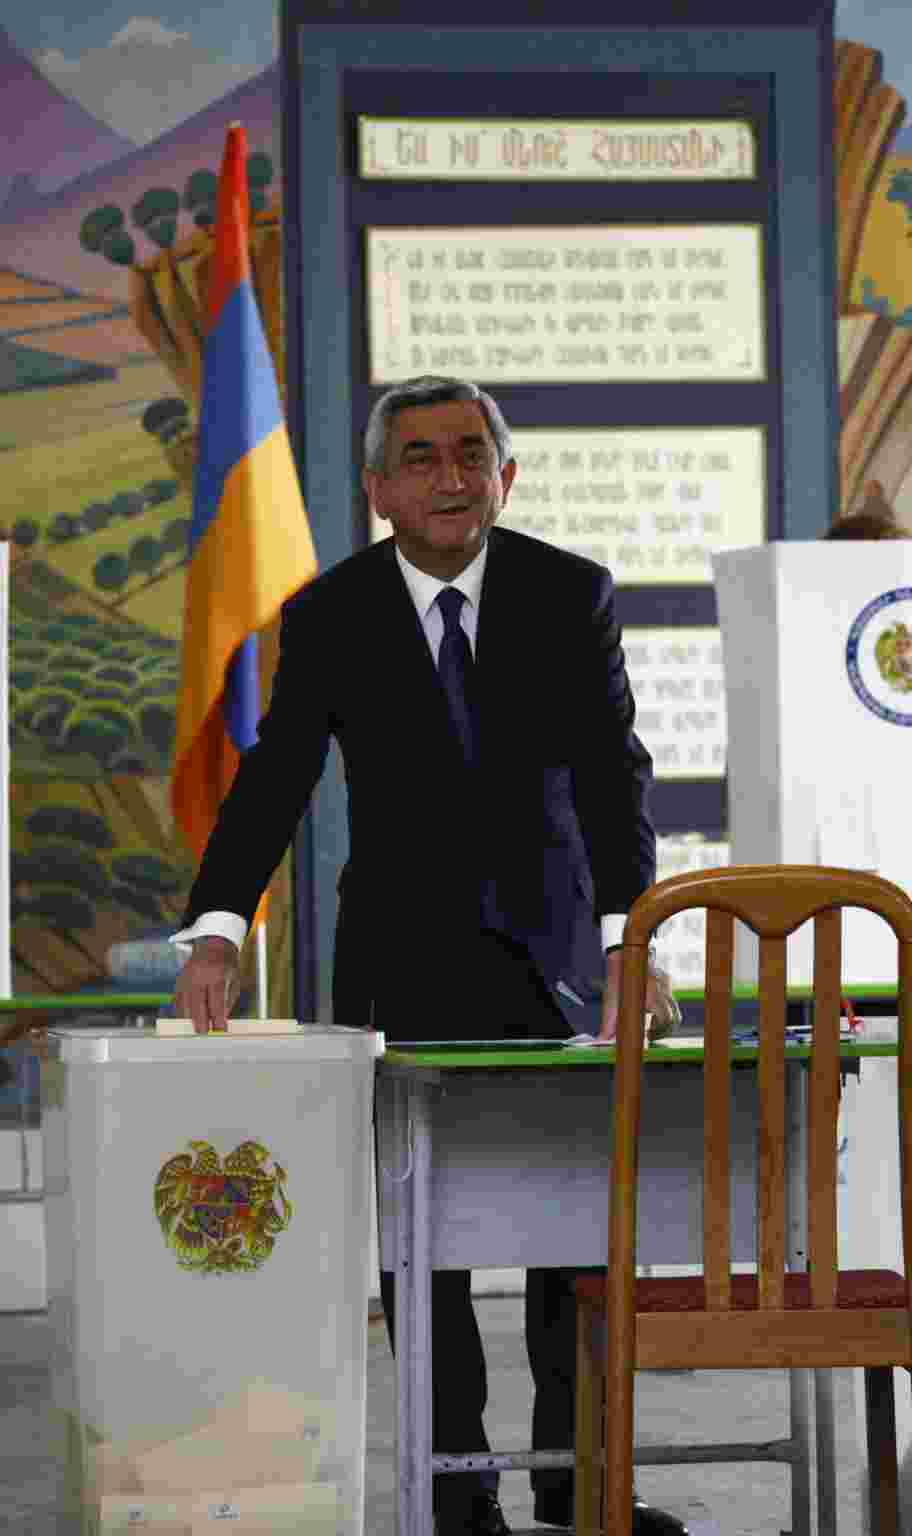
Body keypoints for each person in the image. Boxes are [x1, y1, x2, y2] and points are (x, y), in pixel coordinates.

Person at [172, 375, 688, 1536]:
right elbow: (274, 780)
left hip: (557, 962)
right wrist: (215, 928)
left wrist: (628, 938)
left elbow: (615, 776)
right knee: (425, 1255)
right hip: (402, 965)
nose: (449, 476)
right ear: (377, 489)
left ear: (507, 477)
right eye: (421, 457)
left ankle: (582, 1485)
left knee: (571, 1238)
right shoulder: (330, 614)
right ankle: (459, 1500)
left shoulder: (569, 595)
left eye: (471, 454)